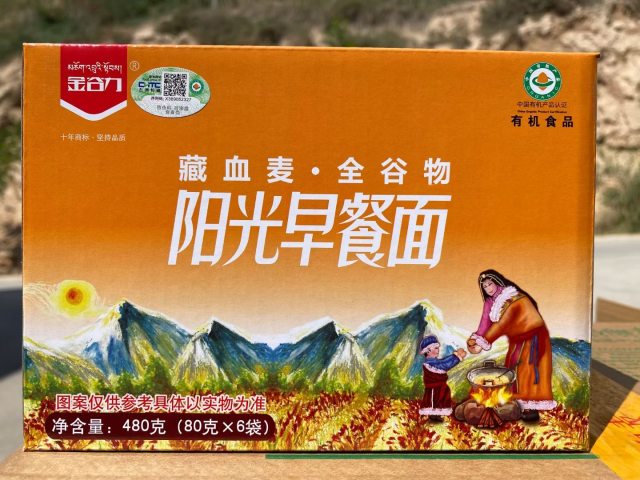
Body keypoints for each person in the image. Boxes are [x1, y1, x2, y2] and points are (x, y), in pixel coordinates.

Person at [467, 269, 556, 422]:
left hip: (533, 337)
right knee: (512, 368)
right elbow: (485, 324)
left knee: (528, 371)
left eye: (490, 284)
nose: (488, 288)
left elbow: (502, 324)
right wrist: (475, 339)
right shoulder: (491, 302)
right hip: (517, 340)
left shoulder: (514, 298)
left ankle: (531, 409)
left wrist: (483, 343)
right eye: (485, 287)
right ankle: (516, 406)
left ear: (497, 282)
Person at [419, 335, 466, 422]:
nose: (438, 350)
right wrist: (456, 357)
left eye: (438, 348)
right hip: (434, 388)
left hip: (439, 387)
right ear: (428, 351)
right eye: (436, 348)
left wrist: (455, 355)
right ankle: (433, 416)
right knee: (435, 401)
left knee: (439, 401)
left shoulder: (434, 362)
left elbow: (443, 362)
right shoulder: (430, 363)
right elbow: (444, 365)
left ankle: (436, 416)